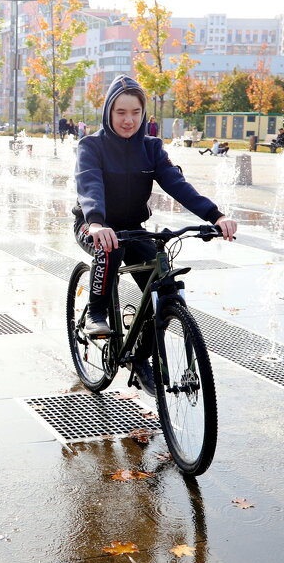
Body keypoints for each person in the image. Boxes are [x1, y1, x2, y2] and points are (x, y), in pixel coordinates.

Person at [74, 76, 237, 386]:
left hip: (134, 229)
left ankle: (139, 356)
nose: (128, 120)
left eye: (135, 112)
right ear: (108, 111)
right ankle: (97, 312)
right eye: (120, 112)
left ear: (144, 113)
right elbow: (89, 184)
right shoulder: (91, 146)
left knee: (166, 287)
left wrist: (216, 215)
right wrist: (96, 221)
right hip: (92, 225)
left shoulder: (151, 148)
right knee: (110, 248)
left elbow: (177, 184)